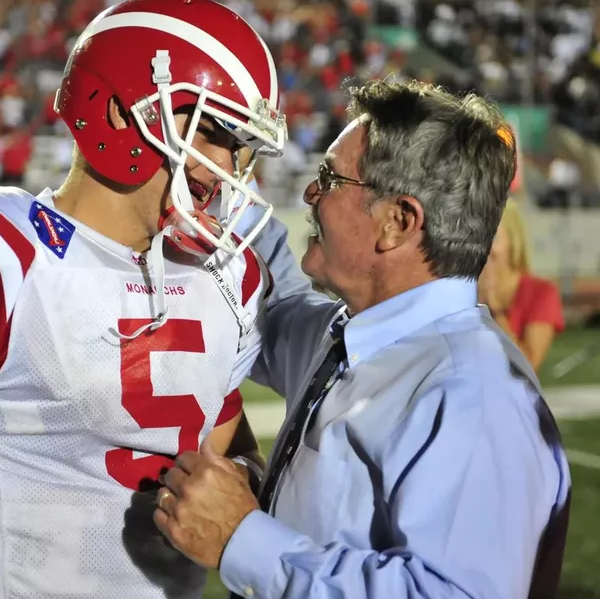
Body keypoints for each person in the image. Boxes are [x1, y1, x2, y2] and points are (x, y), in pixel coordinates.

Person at [0, 0, 286, 598]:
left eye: (240, 146)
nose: (229, 167)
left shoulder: (230, 277)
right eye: (211, 132)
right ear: (121, 112)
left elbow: (222, 453)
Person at [154, 80, 572, 599]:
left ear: (396, 222)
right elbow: (273, 303)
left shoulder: (474, 392)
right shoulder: (362, 335)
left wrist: (244, 539)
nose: (311, 192)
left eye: (330, 178)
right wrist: (215, 181)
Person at [478, 197, 564, 372]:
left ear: (513, 239)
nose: (484, 246)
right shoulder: (460, 288)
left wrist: (495, 313)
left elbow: (529, 366)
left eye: (493, 237)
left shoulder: (540, 293)